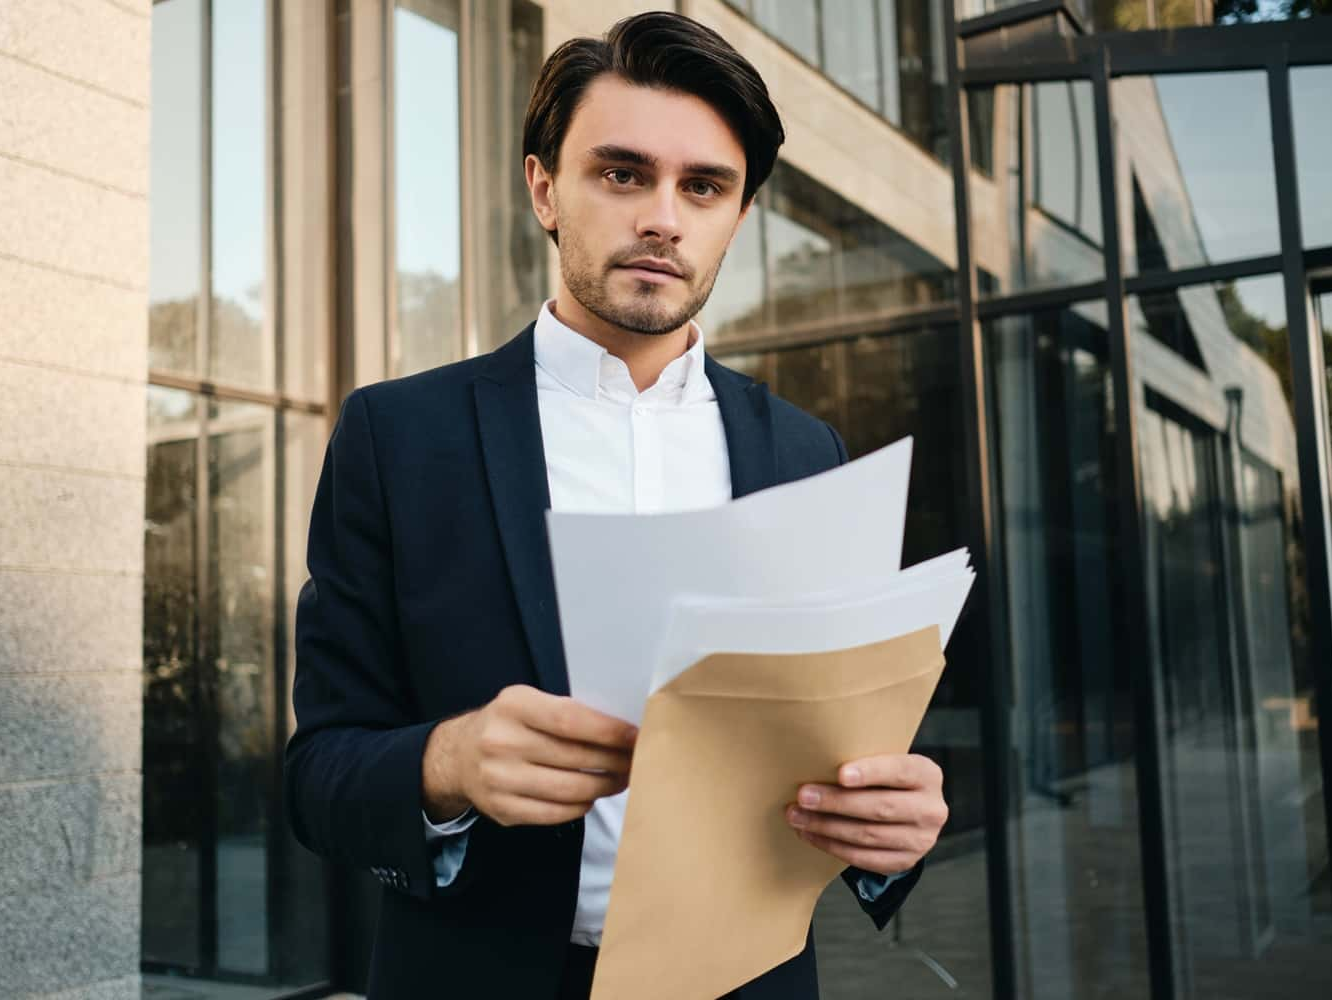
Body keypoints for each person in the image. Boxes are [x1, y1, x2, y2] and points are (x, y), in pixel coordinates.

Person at [285, 12, 948, 998]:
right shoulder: (397, 438)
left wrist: (893, 830)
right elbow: (319, 772)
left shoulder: (808, 454)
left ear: (738, 212)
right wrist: (445, 763)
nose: (664, 218)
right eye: (623, 173)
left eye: (704, 186)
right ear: (545, 189)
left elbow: (851, 745)